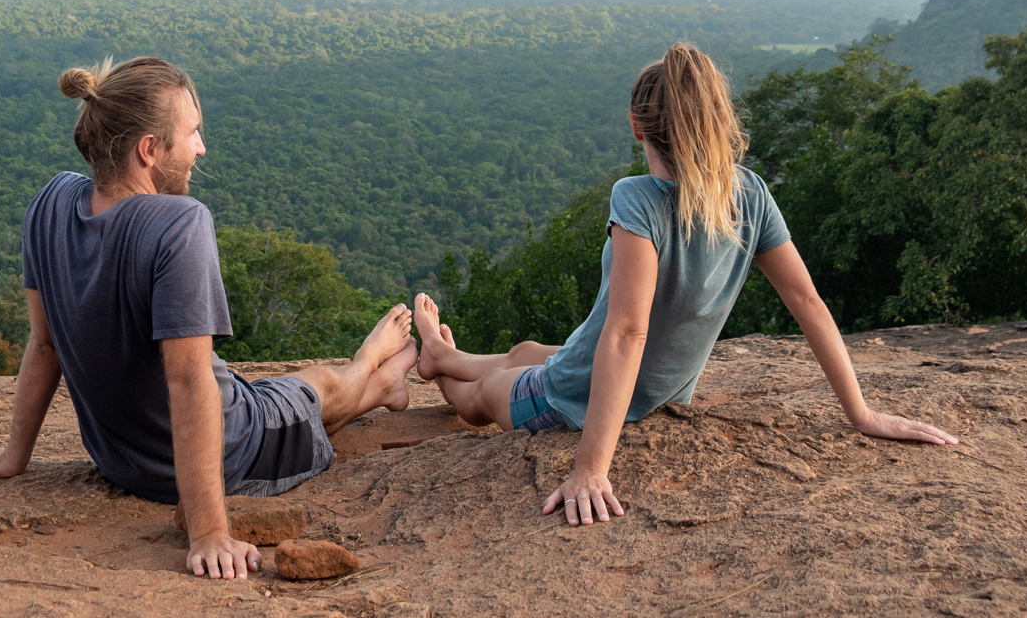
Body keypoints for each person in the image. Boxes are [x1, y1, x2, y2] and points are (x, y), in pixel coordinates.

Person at [410, 43, 959, 528]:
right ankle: (441, 352)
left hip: (575, 397)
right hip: (657, 390)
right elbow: (807, 301)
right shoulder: (751, 194)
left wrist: (590, 469)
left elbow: (627, 332)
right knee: (526, 352)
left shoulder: (637, 199)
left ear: (636, 126)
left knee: (481, 399)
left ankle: (442, 367)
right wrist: (859, 414)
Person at [0, 56, 419, 580]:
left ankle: (382, 388)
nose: (202, 148)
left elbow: (44, 345)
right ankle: (371, 368)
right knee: (318, 390)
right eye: (192, 133)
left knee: (276, 392)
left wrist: (14, 454)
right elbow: (190, 381)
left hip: (119, 461)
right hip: (231, 448)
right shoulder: (179, 223)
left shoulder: (50, 203)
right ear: (149, 150)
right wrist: (208, 531)